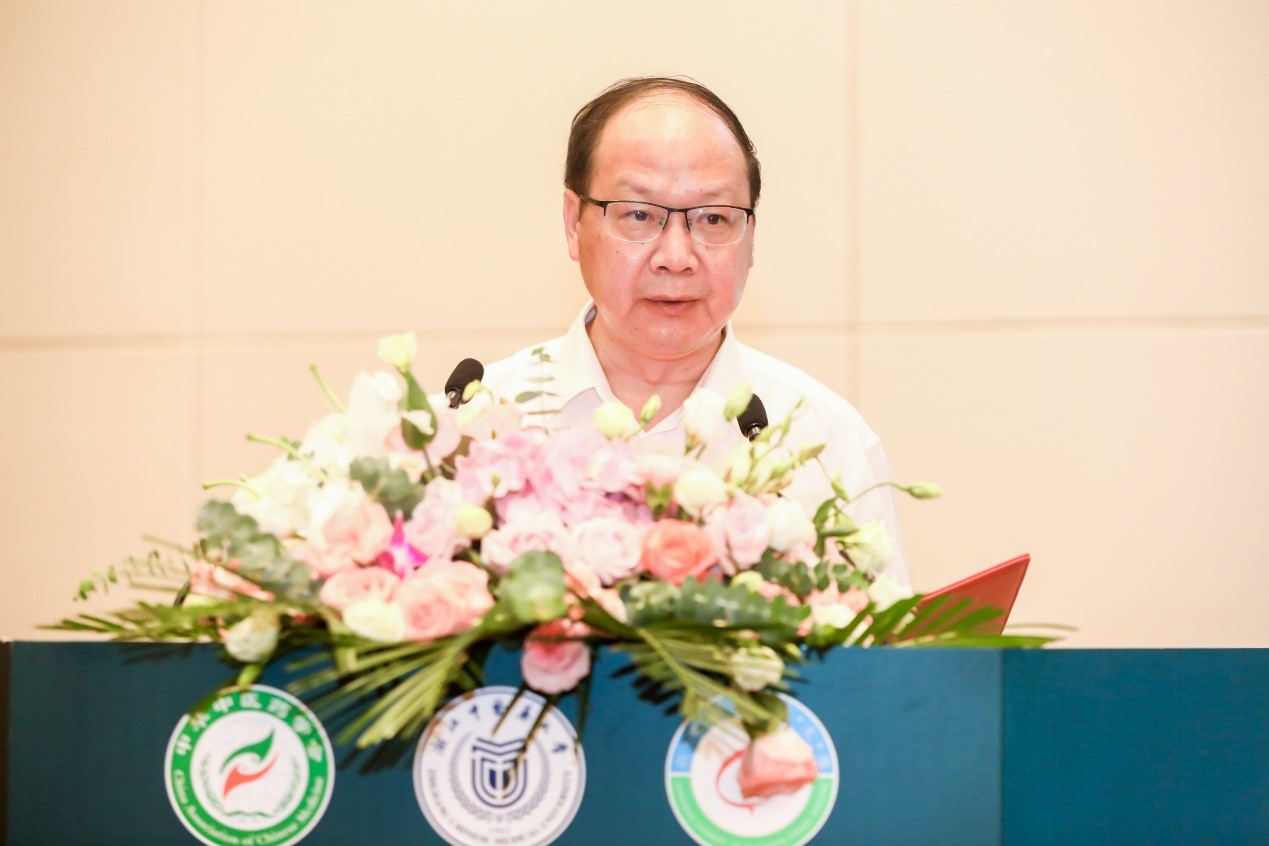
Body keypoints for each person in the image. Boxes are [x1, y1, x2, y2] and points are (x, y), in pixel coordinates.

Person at [482, 76, 909, 585]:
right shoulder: (481, 424)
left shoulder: (824, 440)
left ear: (751, 234)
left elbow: (881, 633)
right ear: (574, 223)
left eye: (713, 219)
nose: (676, 257)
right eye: (639, 214)